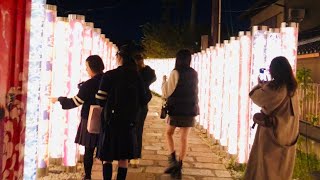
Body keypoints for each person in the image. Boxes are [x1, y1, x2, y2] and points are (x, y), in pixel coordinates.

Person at [95, 44, 146, 180]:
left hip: (110, 121)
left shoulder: (110, 75)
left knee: (107, 157)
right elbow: (145, 98)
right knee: (124, 157)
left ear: (120, 57)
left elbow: (100, 99)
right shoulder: (136, 76)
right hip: (129, 121)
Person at [244, 56, 299, 180]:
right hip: (289, 136)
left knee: (266, 170)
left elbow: (255, 96)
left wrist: (260, 85)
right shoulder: (293, 88)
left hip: (272, 136)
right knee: (283, 170)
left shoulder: (275, 88)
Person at [51, 55, 105, 180]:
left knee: (89, 150)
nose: (86, 69)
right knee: (104, 149)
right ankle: (105, 176)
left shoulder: (88, 84)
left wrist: (59, 99)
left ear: (91, 67)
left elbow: (75, 102)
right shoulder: (107, 80)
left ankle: (88, 176)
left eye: (87, 67)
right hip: (106, 119)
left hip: (90, 120)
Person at [161, 49, 199, 179]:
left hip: (177, 109)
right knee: (184, 138)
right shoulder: (194, 73)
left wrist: (164, 81)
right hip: (190, 109)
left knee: (168, 133)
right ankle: (179, 166)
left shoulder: (175, 72)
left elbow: (166, 92)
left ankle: (173, 160)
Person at [130, 52, 157, 167]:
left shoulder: (133, 73)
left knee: (132, 130)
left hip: (133, 104)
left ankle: (132, 156)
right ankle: (135, 157)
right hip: (142, 104)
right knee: (137, 130)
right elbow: (153, 77)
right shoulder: (147, 73)